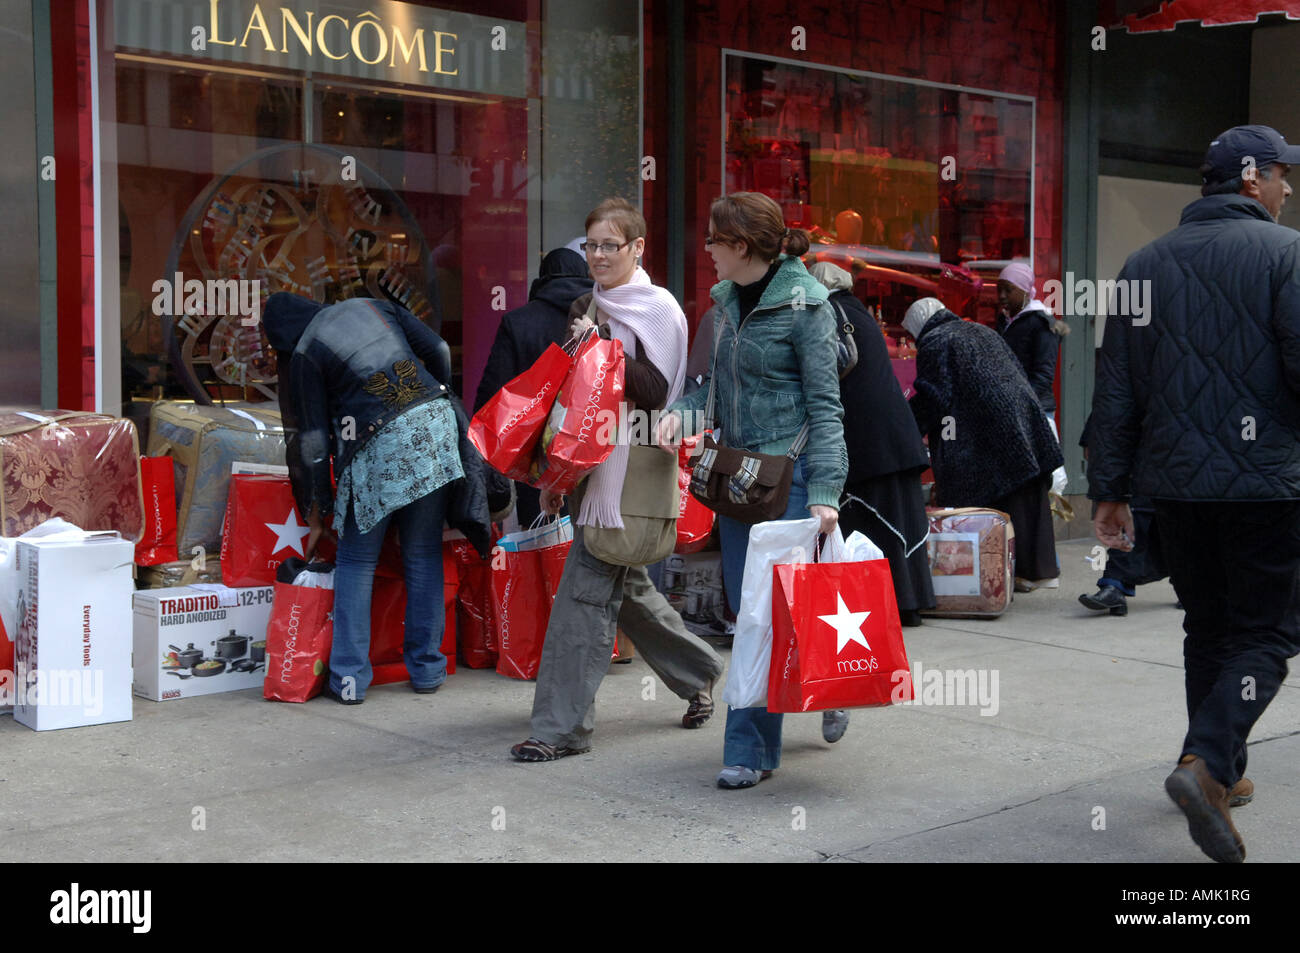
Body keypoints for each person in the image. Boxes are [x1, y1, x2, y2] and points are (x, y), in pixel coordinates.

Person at [1088, 125, 1300, 863]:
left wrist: (1108, 488)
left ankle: (1213, 768)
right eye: (1280, 174)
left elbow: (1114, 389)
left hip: (1175, 490)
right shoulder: (1288, 254)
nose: (1287, 188)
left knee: (1206, 627)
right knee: (1269, 633)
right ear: (1251, 179)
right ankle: (1208, 761)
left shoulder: (1144, 264)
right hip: (1269, 487)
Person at [509, 198, 724, 762]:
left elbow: (660, 393)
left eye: (610, 245)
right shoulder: (587, 303)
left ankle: (559, 729)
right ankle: (699, 671)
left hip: (635, 467)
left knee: (584, 596)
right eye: (592, 245)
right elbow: (573, 395)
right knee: (626, 588)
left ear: (637, 248)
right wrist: (557, 472)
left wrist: (600, 348)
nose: (598, 255)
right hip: (590, 464)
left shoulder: (659, 310)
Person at [657, 191, 849, 790]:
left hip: (790, 487)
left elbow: (826, 407)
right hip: (739, 483)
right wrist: (681, 414)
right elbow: (713, 385)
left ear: (741, 247)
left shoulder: (808, 306)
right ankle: (758, 744)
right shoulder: (724, 301)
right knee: (754, 618)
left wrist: (826, 490)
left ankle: (775, 726)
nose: (706, 250)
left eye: (714, 240)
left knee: (782, 617)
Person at [264, 292, 489, 704]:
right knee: (421, 553)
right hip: (433, 428)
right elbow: (437, 347)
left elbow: (313, 441)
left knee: (356, 559)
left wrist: (319, 509)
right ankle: (427, 670)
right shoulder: (372, 305)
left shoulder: (306, 352)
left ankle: (348, 679)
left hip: (375, 442)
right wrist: (439, 396)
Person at [903, 297, 1062, 591]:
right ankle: (1038, 570)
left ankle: (1006, 570)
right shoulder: (979, 330)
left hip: (987, 431)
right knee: (1025, 495)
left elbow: (934, 395)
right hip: (1023, 418)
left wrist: (906, 427)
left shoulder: (936, 341)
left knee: (992, 503)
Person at [808, 261, 934, 625]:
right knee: (898, 520)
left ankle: (885, 604)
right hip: (894, 436)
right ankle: (909, 602)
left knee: (871, 520)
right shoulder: (857, 311)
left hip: (867, 440)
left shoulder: (829, 312)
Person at [474, 247, 594, 527]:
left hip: (537, 454)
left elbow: (492, 393)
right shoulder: (602, 318)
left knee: (544, 541)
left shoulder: (518, 322)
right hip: (593, 443)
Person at [1076, 413, 1172, 616]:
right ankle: (1114, 586)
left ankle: (1193, 582)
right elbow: (1113, 399)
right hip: (1138, 450)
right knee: (1130, 519)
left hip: (1185, 452)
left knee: (1183, 526)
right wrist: (1092, 438)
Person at [996, 260, 1070, 496]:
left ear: (1025, 290)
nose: (1002, 296)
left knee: (1049, 479)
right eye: (999, 289)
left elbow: (1043, 376)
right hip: (1011, 409)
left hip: (1035, 410)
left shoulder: (1041, 324)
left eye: (1009, 290)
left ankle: (1044, 527)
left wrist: (1019, 402)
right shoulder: (1006, 322)